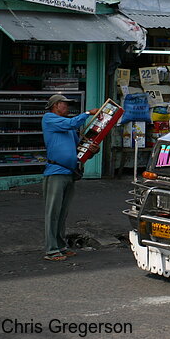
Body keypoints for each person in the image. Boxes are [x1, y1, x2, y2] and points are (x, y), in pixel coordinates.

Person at [41, 94, 99, 261]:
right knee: (53, 213)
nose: (66, 106)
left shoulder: (69, 127)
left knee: (61, 213)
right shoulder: (49, 118)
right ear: (55, 105)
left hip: (68, 173)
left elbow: (80, 148)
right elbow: (71, 122)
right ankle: (51, 250)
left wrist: (93, 150)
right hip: (55, 173)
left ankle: (60, 246)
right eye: (63, 104)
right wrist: (88, 113)